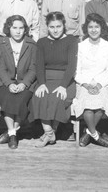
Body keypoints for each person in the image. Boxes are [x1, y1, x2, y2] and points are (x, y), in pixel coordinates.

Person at [31, 12, 78, 147]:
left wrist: (63, 85)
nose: (55, 30)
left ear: (64, 25)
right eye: (52, 27)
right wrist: (41, 83)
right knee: (40, 96)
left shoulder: (71, 41)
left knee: (57, 97)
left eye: (58, 26)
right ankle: (49, 132)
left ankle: (49, 134)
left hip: (65, 80)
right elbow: (39, 64)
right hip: (46, 79)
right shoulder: (42, 42)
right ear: (47, 27)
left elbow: (71, 66)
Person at [0, 15, 37, 149]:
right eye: (14, 28)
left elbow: (33, 68)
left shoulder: (31, 44)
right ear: (8, 29)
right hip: (7, 82)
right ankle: (13, 134)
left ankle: (11, 133)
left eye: (21, 28)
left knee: (22, 99)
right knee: (7, 97)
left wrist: (24, 84)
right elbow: (1, 68)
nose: (18, 31)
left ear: (25, 29)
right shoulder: (1, 44)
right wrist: (9, 84)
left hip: (26, 82)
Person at [74, 13, 108, 148]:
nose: (94, 30)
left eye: (97, 26)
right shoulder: (80, 46)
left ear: (102, 28)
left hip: (102, 83)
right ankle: (96, 136)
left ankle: (88, 133)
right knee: (88, 106)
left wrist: (99, 84)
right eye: (90, 27)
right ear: (86, 29)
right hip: (83, 83)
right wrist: (86, 84)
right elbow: (77, 71)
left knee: (101, 104)